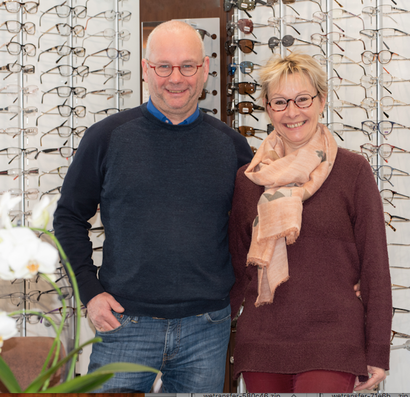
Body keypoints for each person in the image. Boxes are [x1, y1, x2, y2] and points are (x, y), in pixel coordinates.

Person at [53, 20, 253, 393]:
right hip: (123, 324)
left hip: (206, 329)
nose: (175, 78)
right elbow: (67, 217)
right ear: (146, 69)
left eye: (187, 66)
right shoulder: (106, 138)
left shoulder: (232, 147)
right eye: (164, 66)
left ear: (205, 68)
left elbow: (255, 229)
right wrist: (89, 292)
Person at [228, 52, 392, 393]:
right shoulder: (249, 179)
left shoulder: (353, 171)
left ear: (321, 101)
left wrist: (378, 350)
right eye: (280, 101)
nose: (292, 111)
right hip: (262, 343)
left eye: (303, 99)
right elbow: (237, 266)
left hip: (333, 342)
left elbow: (375, 265)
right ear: (267, 107)